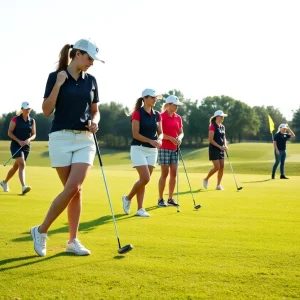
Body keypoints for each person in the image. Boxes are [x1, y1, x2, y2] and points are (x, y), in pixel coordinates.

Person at [30, 39, 103, 257]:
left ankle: (44, 231)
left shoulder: (92, 80)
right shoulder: (56, 77)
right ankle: (68, 240)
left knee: (74, 187)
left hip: (84, 140)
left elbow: (95, 110)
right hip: (60, 138)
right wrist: (59, 85)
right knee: (74, 192)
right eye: (89, 58)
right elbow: (45, 110)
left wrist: (95, 121)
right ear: (77, 54)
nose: (92, 63)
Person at [122, 89, 163, 217]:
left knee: (144, 180)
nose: (155, 99)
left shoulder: (157, 114)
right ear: (145, 98)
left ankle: (140, 208)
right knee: (146, 178)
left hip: (152, 150)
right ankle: (128, 198)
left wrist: (159, 140)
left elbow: (160, 132)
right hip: (138, 148)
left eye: (155, 98)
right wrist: (151, 141)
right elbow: (136, 134)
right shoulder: (137, 114)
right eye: (152, 97)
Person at [0, 102, 36, 194]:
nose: (28, 110)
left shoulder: (32, 121)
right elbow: (10, 132)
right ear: (22, 109)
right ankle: (24, 186)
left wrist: (29, 140)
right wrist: (19, 141)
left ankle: (4, 182)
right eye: (26, 109)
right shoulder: (15, 119)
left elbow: (34, 134)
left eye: (29, 109)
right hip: (16, 145)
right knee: (22, 164)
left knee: (16, 166)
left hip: (26, 146)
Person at [157, 95, 184, 207]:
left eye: (177, 105)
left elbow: (181, 132)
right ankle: (160, 199)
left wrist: (179, 138)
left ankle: (170, 198)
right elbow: (159, 134)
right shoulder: (160, 116)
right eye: (175, 105)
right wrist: (170, 138)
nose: (176, 107)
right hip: (164, 148)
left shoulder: (178, 117)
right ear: (168, 105)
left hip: (175, 149)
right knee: (165, 173)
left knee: (173, 173)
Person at [203, 110, 228, 190]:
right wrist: (220, 147)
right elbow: (210, 140)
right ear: (217, 117)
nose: (222, 118)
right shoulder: (212, 126)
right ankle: (206, 179)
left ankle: (218, 185)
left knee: (222, 166)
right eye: (221, 116)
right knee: (217, 166)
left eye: (223, 116)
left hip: (221, 149)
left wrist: (225, 145)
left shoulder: (222, 127)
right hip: (214, 149)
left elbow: (223, 137)